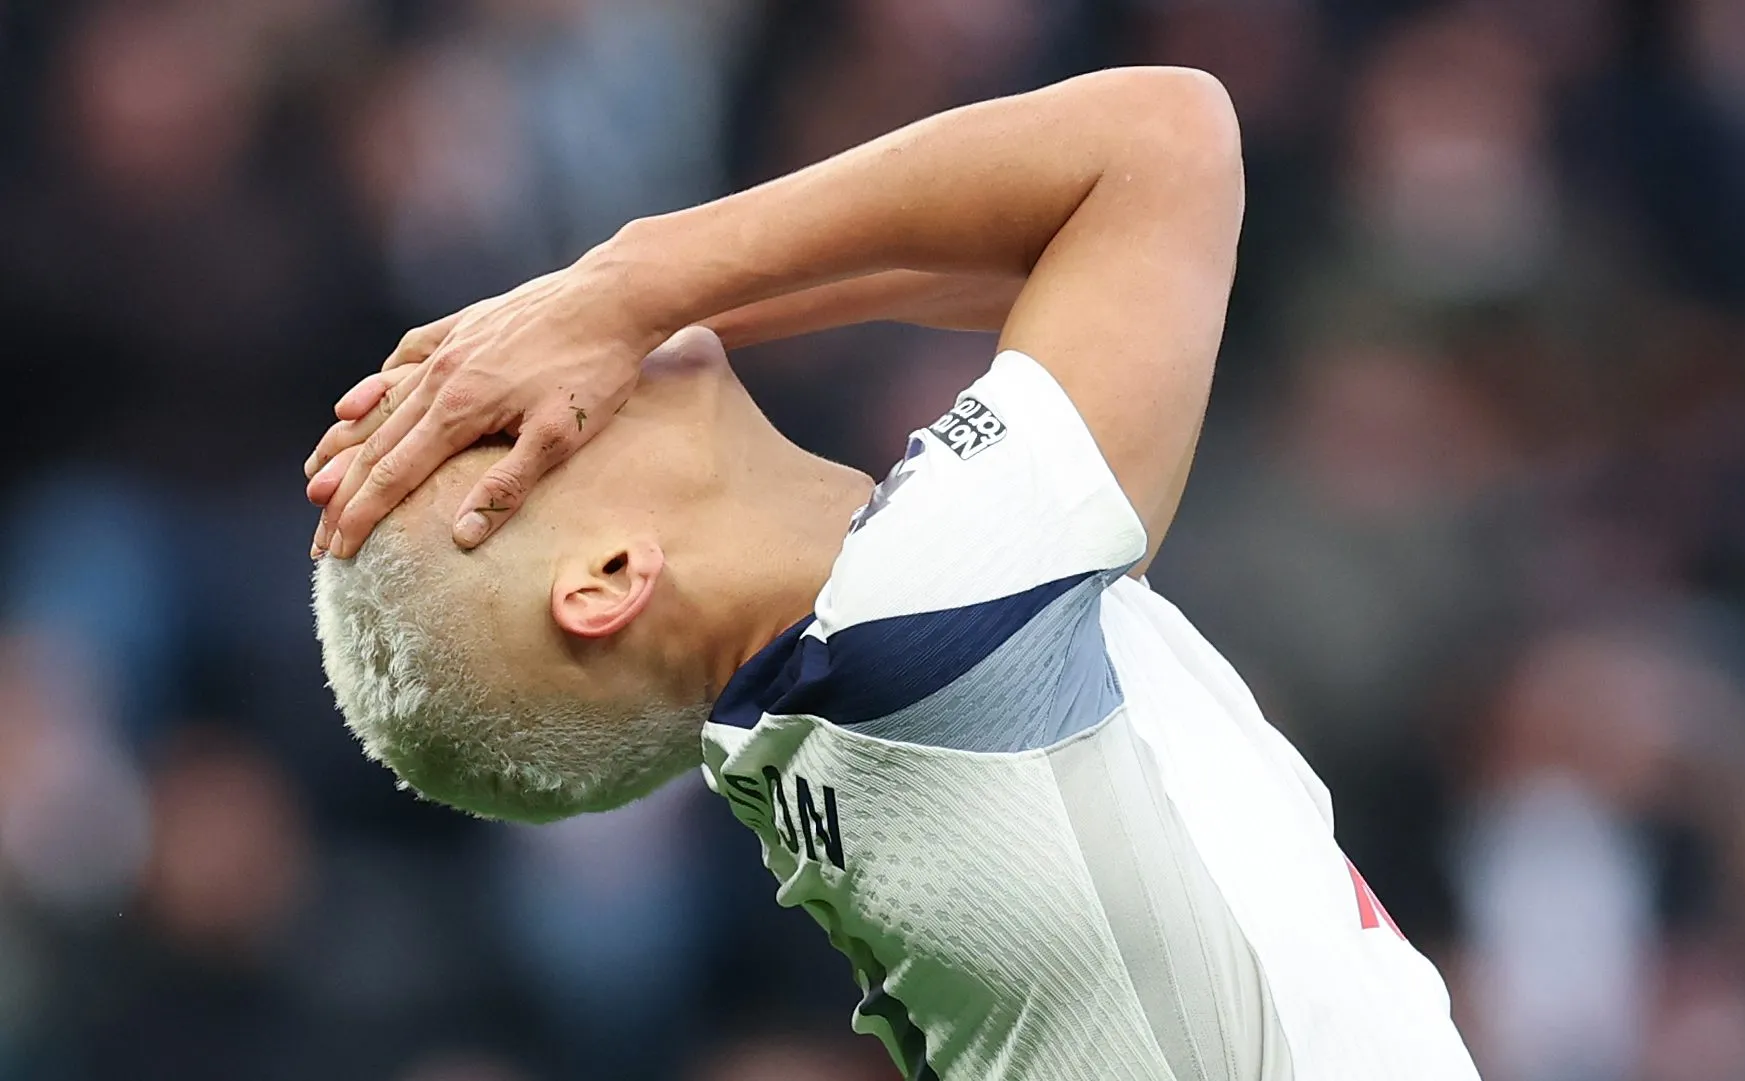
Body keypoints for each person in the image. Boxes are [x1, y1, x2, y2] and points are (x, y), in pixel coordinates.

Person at [305, 68, 1482, 1080]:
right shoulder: (918, 631)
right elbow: (1164, 140)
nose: (546, 388)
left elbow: (1049, 254)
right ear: (610, 577)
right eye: (510, 438)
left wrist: (626, 309)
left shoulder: (863, 691)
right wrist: (629, 279)